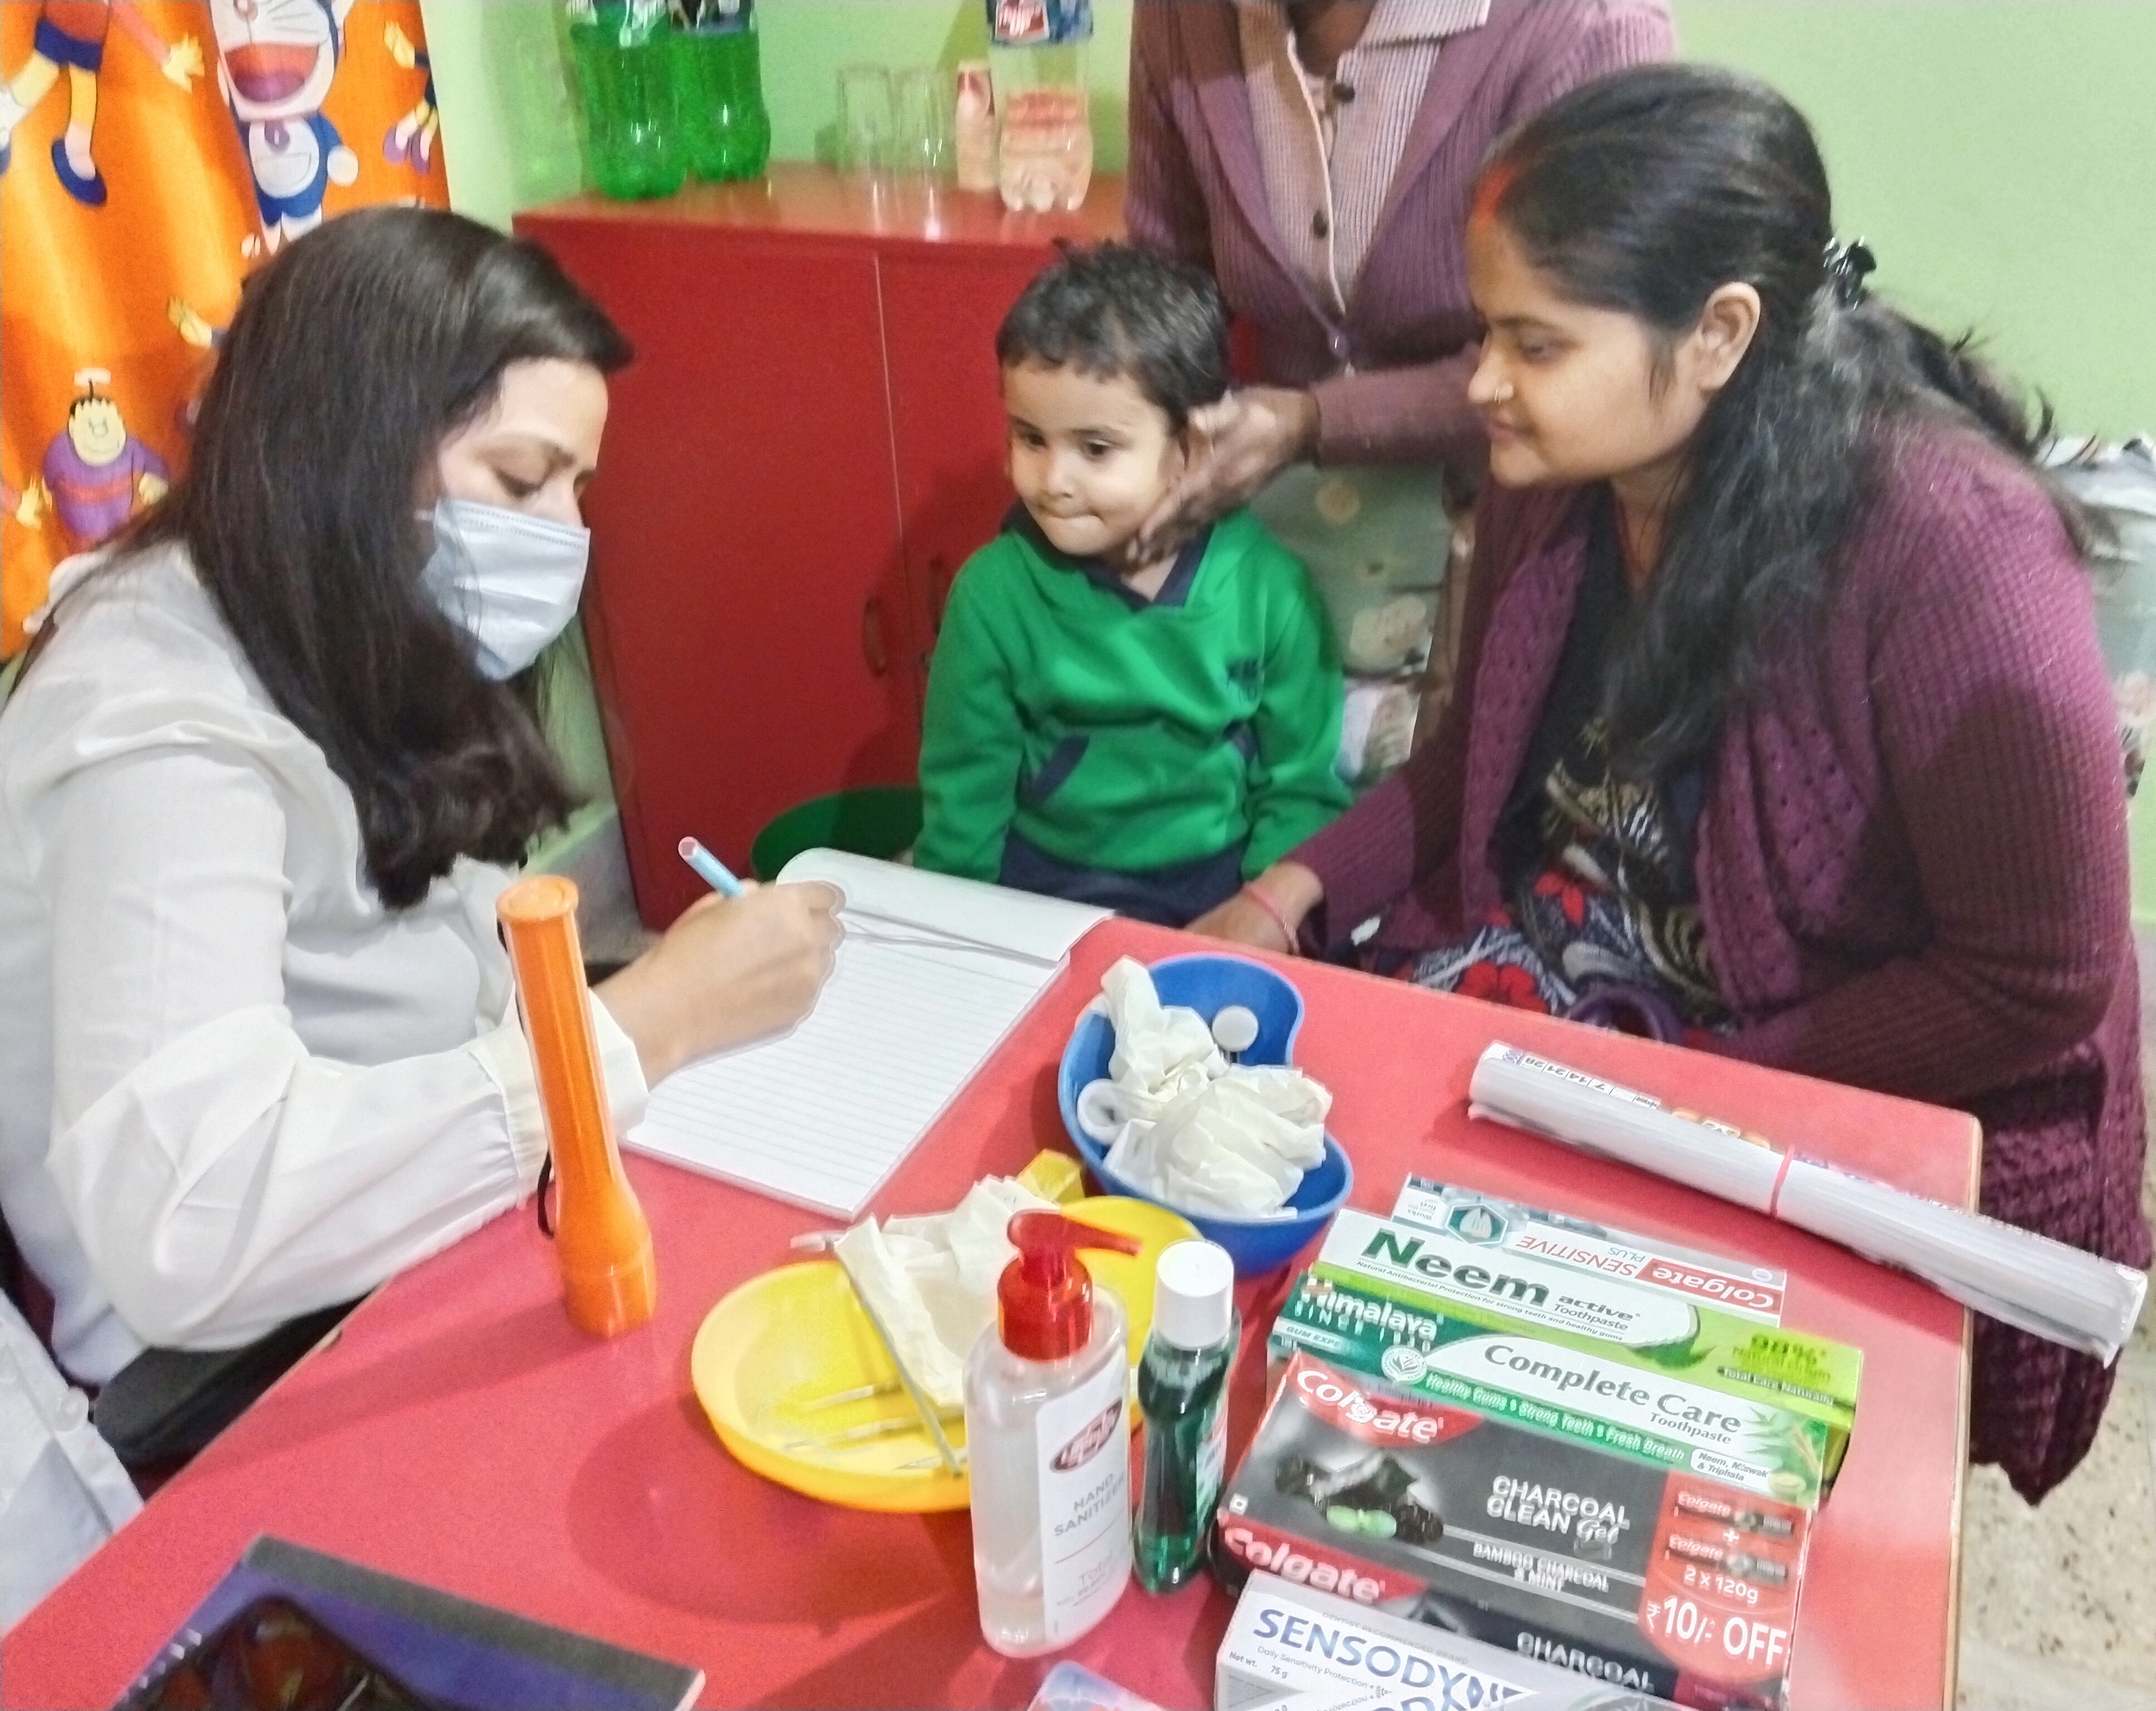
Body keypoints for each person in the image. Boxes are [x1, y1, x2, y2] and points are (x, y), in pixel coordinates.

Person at [1199, 66, 2145, 1501]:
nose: (1478, 385)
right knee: (1290, 1311)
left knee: (1581, 1482)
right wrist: (1282, 894)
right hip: (1575, 997)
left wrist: (1683, 1093)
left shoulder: (1952, 552)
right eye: (1482, 333)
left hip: (1807, 1052)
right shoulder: (1558, 464)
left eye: (1533, 341)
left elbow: (2035, 979)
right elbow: (1477, 763)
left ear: (1716, 334)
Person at [0, 208, 843, 1394]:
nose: (566, 537)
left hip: (434, 1196)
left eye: (579, 488)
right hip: (248, 1356)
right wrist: (649, 1020)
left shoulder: (342, 613)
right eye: (521, 478)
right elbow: (192, 1219)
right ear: (350, 444)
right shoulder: (151, 724)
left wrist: (624, 1021)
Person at [1126, 1, 1674, 774]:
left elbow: (1583, 369)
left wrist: (1311, 422)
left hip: (1518, 531)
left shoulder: (1583, 27)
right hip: (1286, 538)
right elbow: (1164, 282)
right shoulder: (1185, 16)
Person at [913, 243, 1348, 926]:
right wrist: (951, 925)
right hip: (1041, 888)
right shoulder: (991, 596)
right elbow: (964, 794)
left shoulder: (1273, 592)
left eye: (1095, 449)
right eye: (1030, 438)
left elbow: (1299, 790)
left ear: (1193, 448)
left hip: (1217, 891)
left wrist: (1265, 915)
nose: (1052, 480)